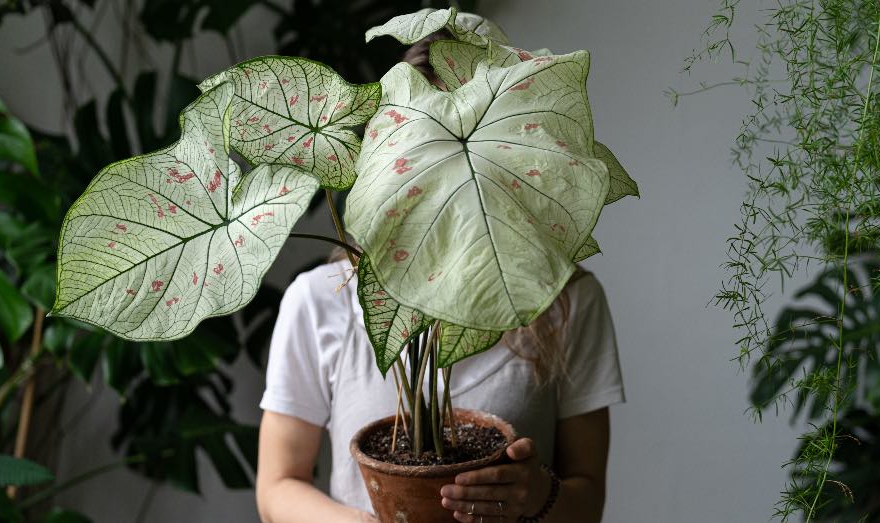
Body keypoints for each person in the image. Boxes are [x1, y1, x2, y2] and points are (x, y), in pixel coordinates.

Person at [255, 33, 626, 523]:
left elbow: (587, 501)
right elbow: (277, 487)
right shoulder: (324, 299)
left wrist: (536, 495)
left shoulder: (566, 298)